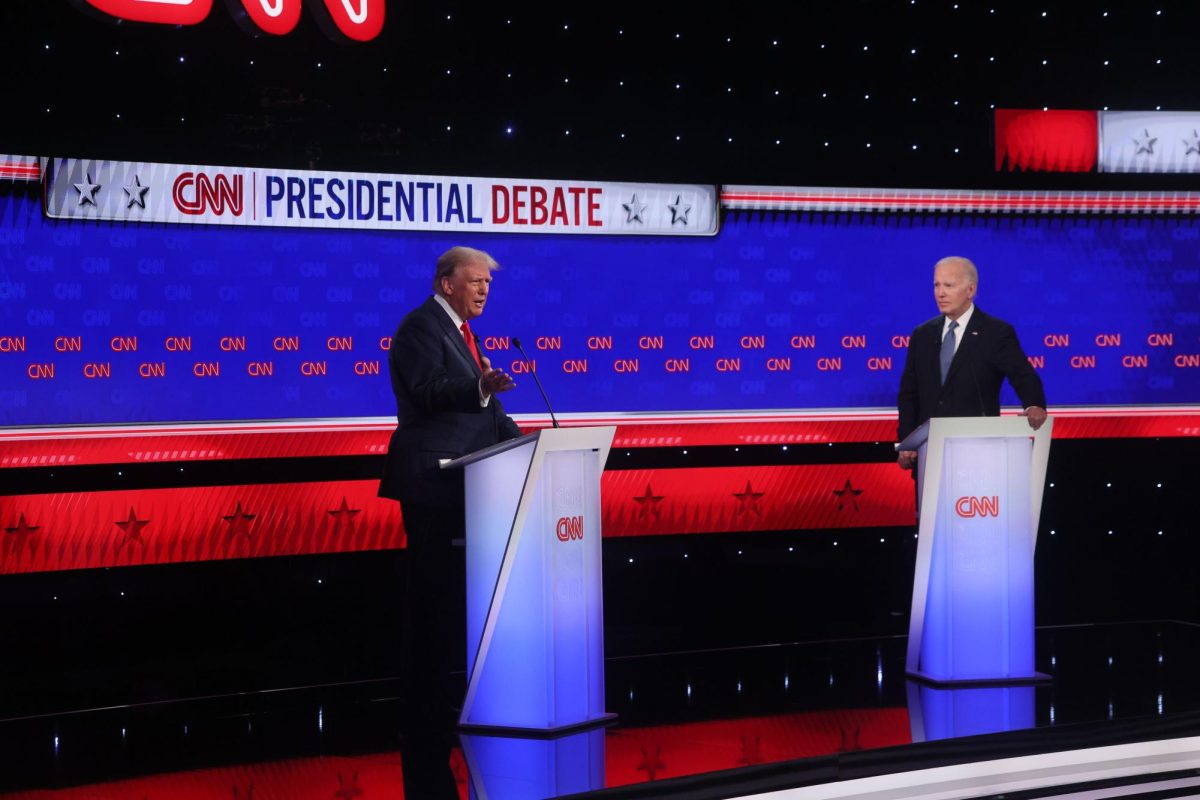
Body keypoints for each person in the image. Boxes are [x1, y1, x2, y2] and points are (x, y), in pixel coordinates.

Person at [379, 245, 524, 729]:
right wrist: (479, 387)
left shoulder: (465, 334)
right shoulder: (420, 327)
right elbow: (429, 390)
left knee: (451, 597)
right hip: (431, 481)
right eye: (476, 280)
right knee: (430, 597)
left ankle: (446, 698)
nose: (485, 289)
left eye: (489, 282)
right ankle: (423, 706)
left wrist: (530, 448)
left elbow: (487, 410)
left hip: (461, 483)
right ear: (447, 283)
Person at [897, 256, 1047, 470]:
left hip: (978, 452)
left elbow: (1022, 375)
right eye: (936, 285)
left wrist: (1034, 405)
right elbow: (909, 394)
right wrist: (907, 441)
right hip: (930, 454)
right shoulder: (922, 334)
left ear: (970, 290)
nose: (940, 293)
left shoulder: (996, 332)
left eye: (948, 285)